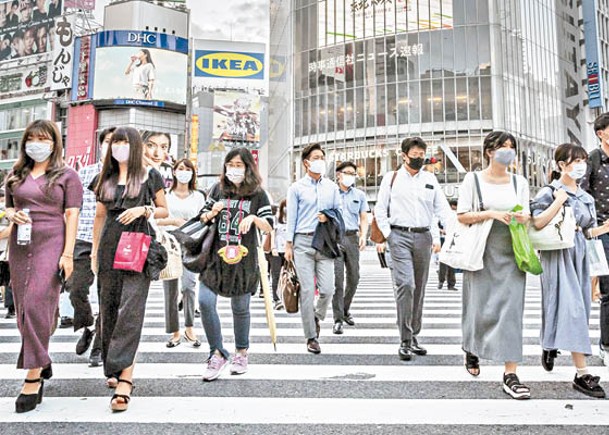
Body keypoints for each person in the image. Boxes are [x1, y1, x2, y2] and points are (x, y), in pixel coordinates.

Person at [5, 120, 83, 413]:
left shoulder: (67, 176)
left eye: (43, 138)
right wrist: (11, 215)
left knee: (38, 302)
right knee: (24, 306)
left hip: (52, 241)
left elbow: (72, 214)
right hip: (20, 244)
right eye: (32, 138)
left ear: (54, 143)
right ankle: (42, 358)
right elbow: (9, 205)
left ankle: (33, 374)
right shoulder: (16, 173)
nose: (37, 143)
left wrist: (68, 254)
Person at [91, 127, 168, 412]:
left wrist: (144, 210)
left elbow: (164, 209)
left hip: (137, 244)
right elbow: (99, 217)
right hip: (110, 245)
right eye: (115, 142)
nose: (119, 146)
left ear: (135, 146)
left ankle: (126, 377)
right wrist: (95, 253)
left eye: (124, 142)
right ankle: (114, 365)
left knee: (131, 310)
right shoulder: (106, 177)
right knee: (109, 307)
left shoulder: (150, 175)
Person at [456, 131, 531, 399]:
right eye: (502, 147)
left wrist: (522, 217)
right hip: (481, 249)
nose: (508, 151)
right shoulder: (472, 179)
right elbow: (462, 215)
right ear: (489, 151)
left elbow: (527, 214)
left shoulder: (519, 181)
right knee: (478, 307)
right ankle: (472, 346)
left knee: (511, 311)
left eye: (512, 147)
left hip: (512, 251)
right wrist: (491, 214)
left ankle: (510, 373)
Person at [531, 143, 606, 398]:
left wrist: (604, 229)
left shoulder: (586, 198)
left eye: (583, 161)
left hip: (580, 255)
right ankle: (582, 373)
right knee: (570, 308)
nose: (581, 166)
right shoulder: (549, 191)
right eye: (576, 161)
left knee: (580, 309)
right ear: (562, 164)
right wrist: (558, 203)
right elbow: (537, 223)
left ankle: (549, 343)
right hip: (557, 254)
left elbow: (588, 232)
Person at [197, 147, 273, 381]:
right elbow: (202, 216)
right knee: (205, 301)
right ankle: (217, 352)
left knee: (240, 308)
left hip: (243, 259)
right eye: (231, 164)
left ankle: (241, 352)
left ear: (248, 167)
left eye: (239, 165)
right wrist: (213, 212)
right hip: (214, 258)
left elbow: (269, 225)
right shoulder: (217, 189)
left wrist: (253, 218)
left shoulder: (258, 194)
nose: (234, 169)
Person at [374, 137, 450, 361]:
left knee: (419, 288)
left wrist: (453, 231)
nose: (418, 158)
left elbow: (441, 210)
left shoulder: (430, 179)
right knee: (406, 284)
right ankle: (405, 339)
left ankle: (414, 335)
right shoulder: (391, 178)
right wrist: (389, 235)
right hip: (399, 236)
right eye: (414, 154)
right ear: (404, 155)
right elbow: (380, 209)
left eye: (421, 154)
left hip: (423, 237)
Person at [285, 143, 341, 354]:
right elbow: (292, 218)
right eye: (316, 157)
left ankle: (316, 317)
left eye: (322, 157)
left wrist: (329, 216)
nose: (320, 161)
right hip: (302, 242)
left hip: (325, 242)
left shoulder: (332, 187)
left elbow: (339, 212)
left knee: (328, 289)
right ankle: (311, 336)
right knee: (307, 290)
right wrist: (288, 245)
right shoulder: (297, 188)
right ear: (306, 162)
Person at [66, 127, 115, 367]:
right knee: (76, 288)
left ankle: (98, 347)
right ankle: (87, 325)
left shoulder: (126, 176)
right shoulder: (84, 174)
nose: (112, 146)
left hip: (112, 242)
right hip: (84, 239)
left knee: (105, 297)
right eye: (107, 141)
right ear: (101, 144)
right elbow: (73, 210)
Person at [156, 158, 206, 348]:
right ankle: (174, 331)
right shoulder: (166, 195)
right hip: (170, 244)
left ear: (193, 173)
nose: (184, 172)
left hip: (191, 244)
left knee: (189, 286)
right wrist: (173, 221)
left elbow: (205, 219)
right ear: (174, 172)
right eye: (181, 169)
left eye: (188, 169)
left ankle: (190, 327)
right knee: (170, 288)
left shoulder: (198, 196)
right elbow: (155, 219)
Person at [581, 112, 609, 366]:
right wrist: (595, 227)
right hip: (603, 232)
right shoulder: (592, 159)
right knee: (608, 291)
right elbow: (582, 194)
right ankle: (606, 346)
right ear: (601, 133)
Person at [331, 161, 368, 335]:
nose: (351, 176)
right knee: (337, 280)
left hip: (352, 237)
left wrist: (363, 235)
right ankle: (337, 319)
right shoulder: (330, 193)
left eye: (354, 174)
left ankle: (345, 309)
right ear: (339, 174)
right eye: (348, 173)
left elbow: (363, 217)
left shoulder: (359, 195)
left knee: (354, 277)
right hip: (335, 238)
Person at [269, 199, 287, 310]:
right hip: (276, 250)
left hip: (288, 250)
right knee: (275, 275)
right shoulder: (276, 218)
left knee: (288, 275)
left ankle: (287, 297)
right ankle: (276, 299)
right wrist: (273, 247)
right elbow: (272, 233)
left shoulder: (293, 218)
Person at [0, 188, 15, 319]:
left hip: (9, 250)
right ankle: (11, 307)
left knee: (10, 279)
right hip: (4, 249)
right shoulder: (4, 212)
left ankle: (12, 307)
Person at [438, 199, 458, 290]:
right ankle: (448, 283)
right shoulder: (452, 214)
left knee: (447, 260)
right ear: (452, 206)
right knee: (448, 261)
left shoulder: (450, 214)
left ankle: (444, 282)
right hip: (449, 239)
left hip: (448, 239)